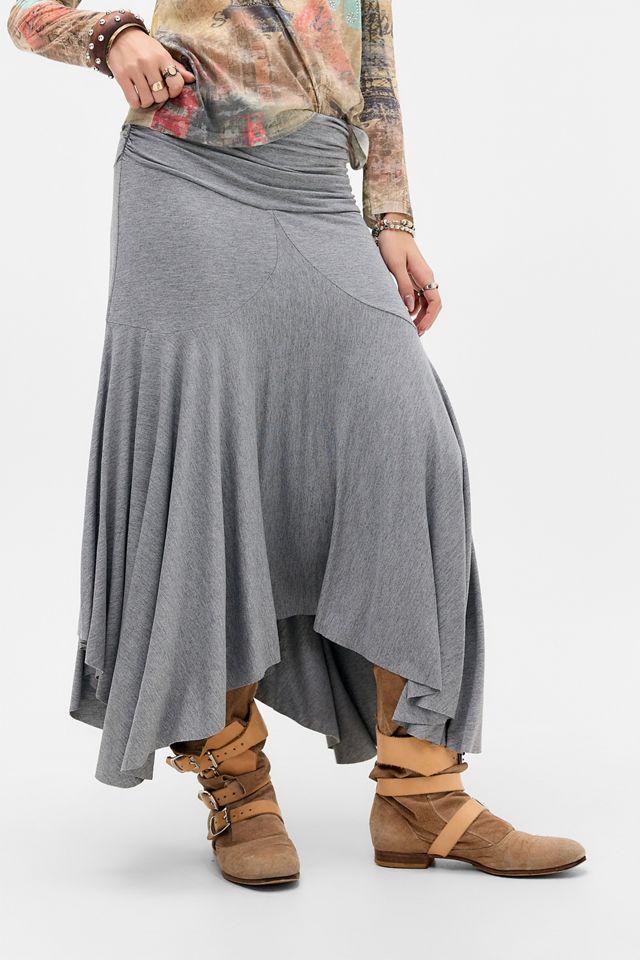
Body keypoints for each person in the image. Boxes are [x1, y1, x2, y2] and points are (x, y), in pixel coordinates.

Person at [8, 0, 585, 887]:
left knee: (414, 446)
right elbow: (27, 14)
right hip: (185, 175)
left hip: (317, 188)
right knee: (208, 463)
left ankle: (421, 794)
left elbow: (375, 63)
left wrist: (391, 220)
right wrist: (112, 37)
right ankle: (236, 784)